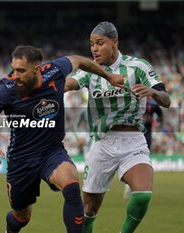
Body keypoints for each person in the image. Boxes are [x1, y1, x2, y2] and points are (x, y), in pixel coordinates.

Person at [0, 45, 124, 233]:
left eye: (21, 70)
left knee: (71, 183)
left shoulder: (54, 71)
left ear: (37, 69)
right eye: (14, 69)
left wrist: (109, 77)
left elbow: (79, 60)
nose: (15, 75)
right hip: (21, 160)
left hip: (52, 152)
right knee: (22, 217)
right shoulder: (5, 89)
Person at [64, 21, 171, 233]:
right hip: (102, 143)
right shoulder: (90, 71)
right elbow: (68, 84)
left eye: (99, 43)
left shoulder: (138, 67)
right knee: (89, 209)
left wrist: (153, 93)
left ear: (115, 42)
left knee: (142, 196)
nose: (94, 49)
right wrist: (50, 87)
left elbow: (166, 99)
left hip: (133, 141)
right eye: (91, 44)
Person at [123, 96, 163, 199]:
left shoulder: (135, 101)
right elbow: (160, 116)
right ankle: (132, 182)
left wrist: (155, 122)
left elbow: (160, 116)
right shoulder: (150, 103)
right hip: (138, 135)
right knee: (135, 158)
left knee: (137, 157)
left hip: (139, 135)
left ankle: (132, 183)